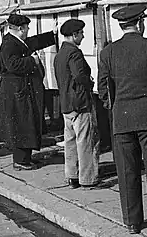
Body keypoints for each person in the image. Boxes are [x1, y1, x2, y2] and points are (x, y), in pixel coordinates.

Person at [98, 4, 147, 234]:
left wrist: (114, 107)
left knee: (126, 171)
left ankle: (132, 222)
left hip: (121, 119)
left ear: (122, 26)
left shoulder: (108, 52)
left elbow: (103, 89)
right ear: (140, 23)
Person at [0, 13, 56, 170]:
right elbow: (12, 65)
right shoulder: (9, 44)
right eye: (27, 27)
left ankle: (26, 158)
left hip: (19, 91)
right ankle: (20, 161)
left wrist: (52, 35)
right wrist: (32, 60)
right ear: (21, 28)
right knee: (21, 126)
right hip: (16, 93)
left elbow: (32, 42)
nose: (28, 30)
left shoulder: (15, 41)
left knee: (25, 124)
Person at [54, 19, 100, 188]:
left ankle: (72, 175)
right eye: (81, 33)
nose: (83, 36)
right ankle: (88, 178)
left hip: (66, 104)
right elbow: (80, 76)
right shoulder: (74, 53)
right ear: (74, 35)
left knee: (70, 142)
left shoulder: (60, 54)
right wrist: (90, 83)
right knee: (85, 141)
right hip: (80, 104)